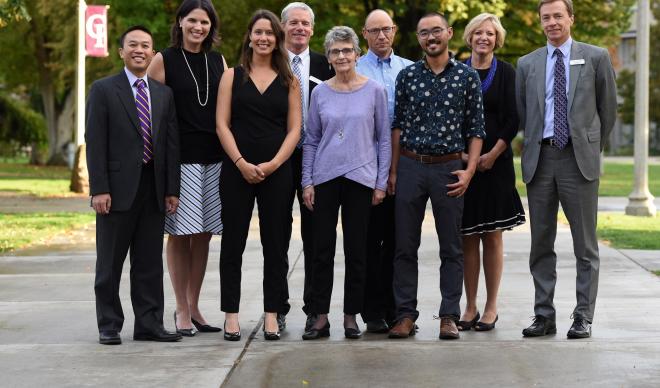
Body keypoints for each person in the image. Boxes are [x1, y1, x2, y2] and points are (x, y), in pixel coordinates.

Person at [516, 0, 617, 339]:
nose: (552, 22)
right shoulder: (527, 63)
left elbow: (608, 110)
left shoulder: (596, 57)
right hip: (540, 161)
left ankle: (583, 316)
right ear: (541, 23)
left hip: (578, 160)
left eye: (558, 15)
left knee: (585, 246)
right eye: (546, 17)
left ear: (571, 18)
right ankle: (544, 315)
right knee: (540, 244)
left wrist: (588, 146)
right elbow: (524, 112)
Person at [387, 12, 485, 341]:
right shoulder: (408, 76)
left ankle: (449, 316)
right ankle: (404, 315)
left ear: (450, 33)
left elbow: (475, 129)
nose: (431, 37)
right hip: (412, 165)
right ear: (418, 38)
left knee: (451, 247)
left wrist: (469, 170)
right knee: (404, 245)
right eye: (424, 32)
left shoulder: (467, 77)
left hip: (448, 169)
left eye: (437, 31)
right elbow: (397, 127)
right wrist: (395, 171)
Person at [86, 25, 182, 345]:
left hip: (153, 188)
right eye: (132, 45)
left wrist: (171, 189)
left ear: (153, 53)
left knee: (149, 262)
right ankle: (109, 324)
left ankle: (149, 323)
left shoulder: (163, 93)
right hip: (114, 190)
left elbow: (170, 145)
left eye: (145, 45)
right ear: (121, 51)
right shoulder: (103, 89)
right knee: (110, 262)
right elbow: (95, 141)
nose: (139, 50)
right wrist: (99, 188)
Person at [215, 9, 301, 341]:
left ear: (277, 39)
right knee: (232, 243)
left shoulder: (289, 79)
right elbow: (221, 124)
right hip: (236, 170)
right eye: (258, 32)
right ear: (249, 36)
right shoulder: (231, 76)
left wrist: (273, 165)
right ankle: (231, 315)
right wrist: (240, 162)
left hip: (277, 172)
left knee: (275, 245)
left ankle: (271, 313)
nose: (263, 38)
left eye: (270, 33)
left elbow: (295, 130)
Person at [301, 26, 390, 340]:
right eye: (335, 51)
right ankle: (320, 317)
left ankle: (351, 315)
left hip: (361, 178)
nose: (341, 56)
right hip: (325, 178)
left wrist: (380, 183)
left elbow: (383, 140)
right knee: (321, 250)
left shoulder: (375, 90)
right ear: (328, 57)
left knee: (357, 251)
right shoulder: (320, 92)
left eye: (347, 50)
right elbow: (311, 140)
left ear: (356, 53)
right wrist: (307, 181)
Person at [147, 0, 227, 337]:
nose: (198, 27)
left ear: (211, 27)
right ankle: (180, 306)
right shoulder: (163, 59)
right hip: (180, 161)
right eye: (192, 20)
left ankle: (195, 305)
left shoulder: (217, 60)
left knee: (204, 234)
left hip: (216, 159)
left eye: (205, 22)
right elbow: (148, 115)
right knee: (180, 234)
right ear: (180, 22)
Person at [457, 13, 525, 332]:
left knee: (492, 236)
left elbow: (513, 118)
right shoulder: (457, 71)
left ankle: (491, 306)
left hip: (496, 164)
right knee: (467, 237)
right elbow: (449, 117)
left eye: (490, 33)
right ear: (469, 37)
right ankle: (469, 305)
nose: (484, 38)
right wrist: (466, 157)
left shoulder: (507, 72)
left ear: (497, 39)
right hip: (461, 165)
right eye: (478, 33)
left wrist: (492, 153)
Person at [356, 9, 413, 334]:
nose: (381, 35)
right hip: (365, 165)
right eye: (374, 30)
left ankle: (398, 310)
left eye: (386, 29)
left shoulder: (408, 69)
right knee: (368, 241)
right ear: (364, 34)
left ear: (393, 31)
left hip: (403, 165)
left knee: (398, 240)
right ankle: (372, 311)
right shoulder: (355, 68)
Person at [280, 2, 335, 332]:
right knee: (278, 234)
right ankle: (278, 305)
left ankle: (316, 309)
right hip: (279, 157)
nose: (299, 28)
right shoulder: (271, 62)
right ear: (283, 27)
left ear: (312, 30)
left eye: (305, 23)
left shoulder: (326, 64)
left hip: (317, 158)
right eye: (293, 23)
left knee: (316, 236)